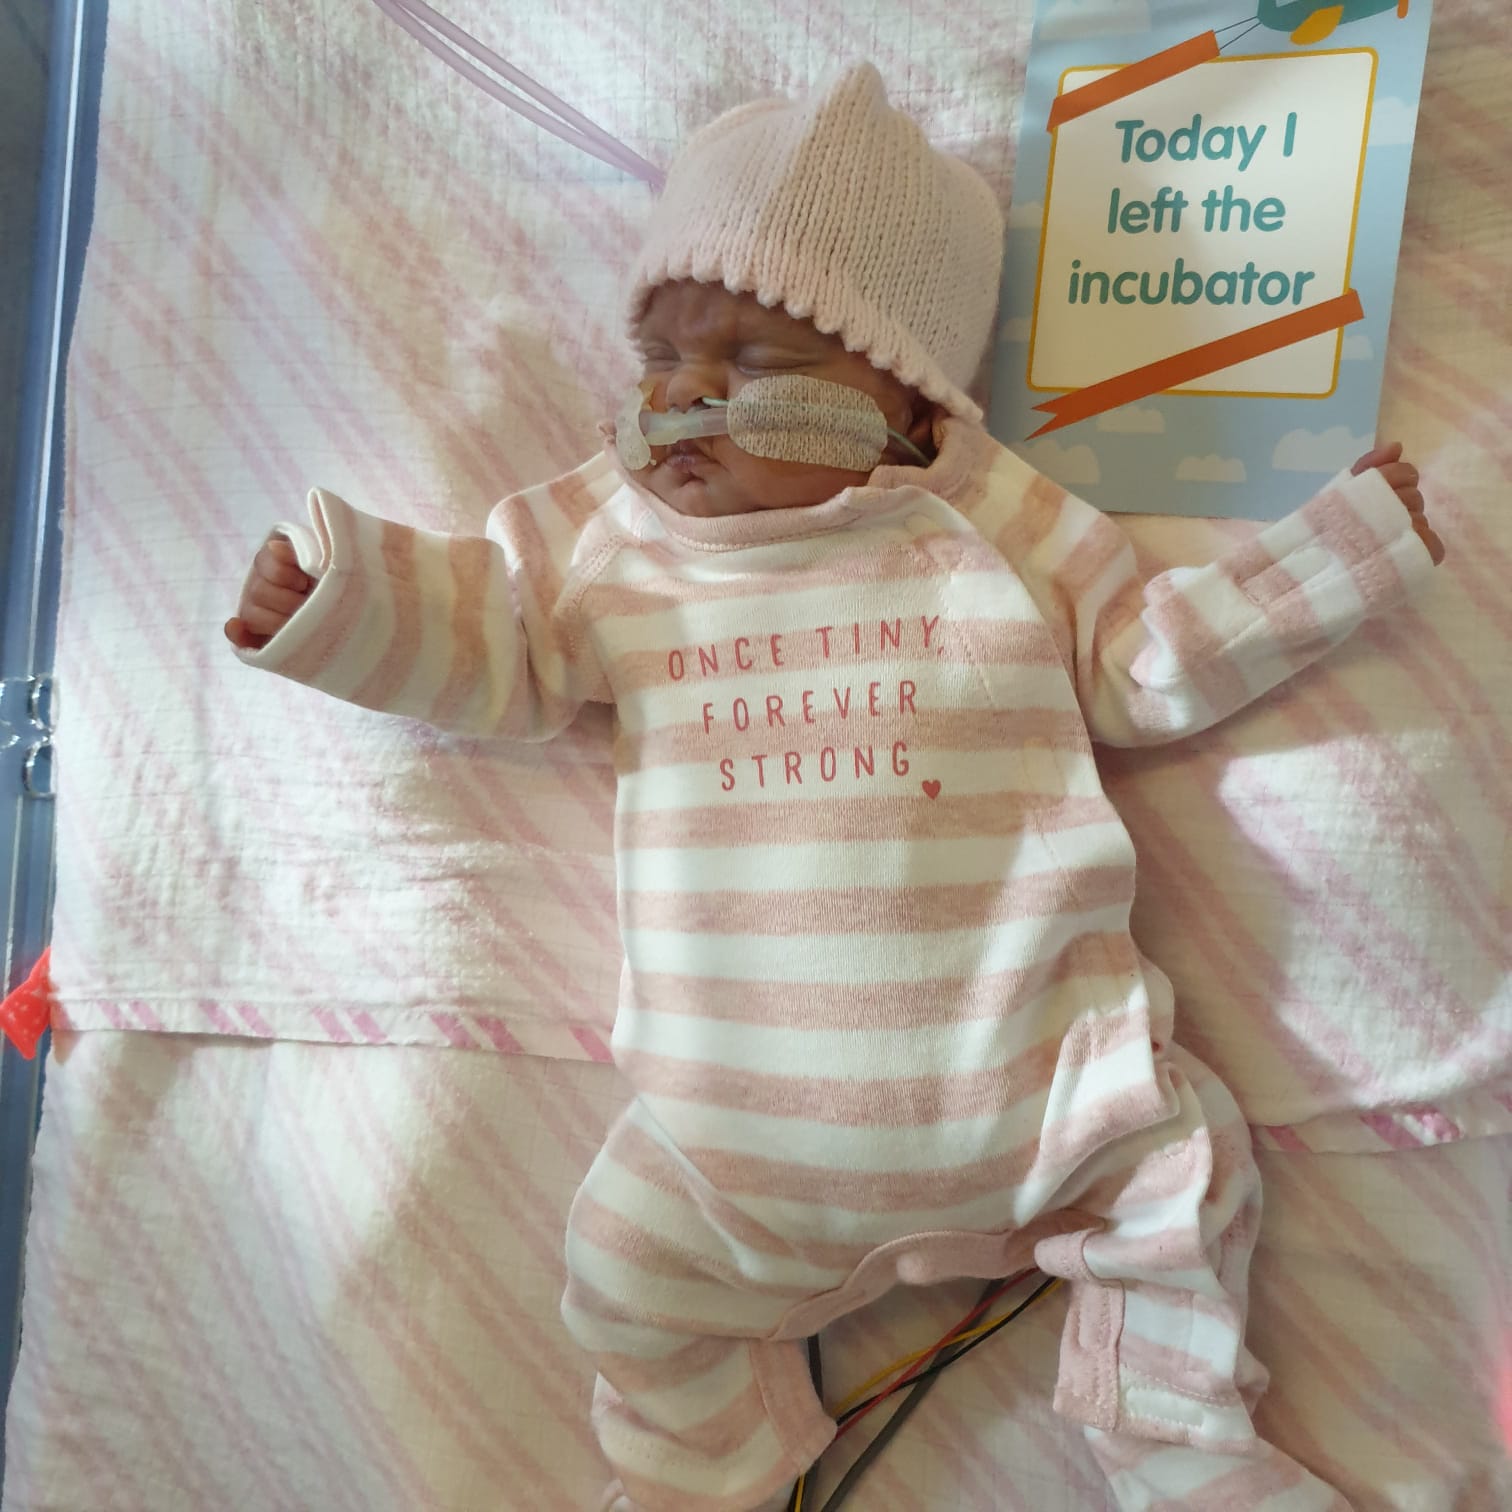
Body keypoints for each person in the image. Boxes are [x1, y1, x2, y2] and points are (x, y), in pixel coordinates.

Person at [227, 63, 1441, 1512]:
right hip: (734, 1150)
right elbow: (496, 634)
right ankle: (708, 1479)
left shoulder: (989, 512)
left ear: (900, 387)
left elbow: (1141, 657)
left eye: (739, 367)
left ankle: (1182, 1453)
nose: (677, 399)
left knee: (1188, 1173)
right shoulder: (617, 538)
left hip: (1049, 1099)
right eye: (657, 363)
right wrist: (339, 601)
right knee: (622, 1276)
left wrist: (1328, 558)